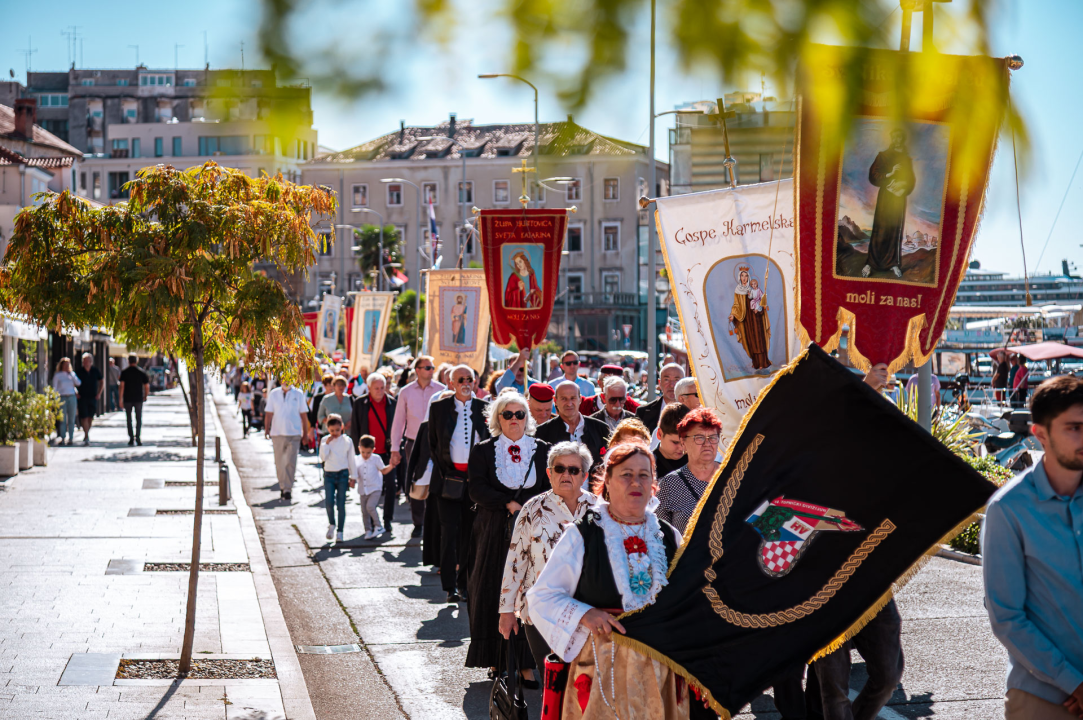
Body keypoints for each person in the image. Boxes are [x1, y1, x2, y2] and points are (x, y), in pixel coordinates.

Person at [527, 441, 687, 719]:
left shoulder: (669, 535)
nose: (635, 482)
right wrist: (584, 613)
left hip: (662, 665)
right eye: (626, 474)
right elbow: (542, 596)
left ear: (653, 484)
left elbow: (689, 600)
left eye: (644, 474)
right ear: (607, 482)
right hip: (602, 662)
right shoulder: (583, 533)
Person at [982, 375, 1083, 720]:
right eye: (1074, 428)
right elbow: (1007, 617)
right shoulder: (1008, 510)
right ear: (1040, 434)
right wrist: (1075, 683)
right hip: (1042, 700)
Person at [465, 391, 549, 672]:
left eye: (520, 414)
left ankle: (526, 663)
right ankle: (497, 661)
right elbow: (475, 488)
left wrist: (529, 508)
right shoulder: (484, 450)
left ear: (528, 418)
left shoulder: (542, 448)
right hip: (492, 529)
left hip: (534, 530)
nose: (514, 419)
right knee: (492, 589)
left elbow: (549, 488)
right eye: (508, 414)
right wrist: (507, 503)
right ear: (497, 419)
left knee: (529, 591)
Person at [499, 441, 596, 684]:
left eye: (573, 470)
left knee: (586, 684)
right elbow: (516, 560)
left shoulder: (599, 509)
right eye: (559, 468)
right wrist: (506, 610)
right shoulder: (532, 508)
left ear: (584, 476)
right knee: (554, 683)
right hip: (541, 611)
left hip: (588, 611)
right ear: (548, 473)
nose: (566, 475)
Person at [429, 365, 490, 603]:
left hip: (474, 482)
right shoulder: (439, 408)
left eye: (470, 379)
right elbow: (433, 444)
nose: (466, 383)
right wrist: (448, 474)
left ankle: (465, 584)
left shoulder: (484, 408)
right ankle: (449, 587)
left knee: (470, 534)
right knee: (449, 532)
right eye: (461, 379)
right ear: (451, 383)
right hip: (448, 480)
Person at [350, 374, 401, 537]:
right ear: (369, 388)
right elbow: (355, 429)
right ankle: (371, 522)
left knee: (391, 486)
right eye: (376, 388)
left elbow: (399, 427)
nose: (380, 391)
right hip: (367, 454)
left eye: (382, 387)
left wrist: (396, 449)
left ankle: (387, 520)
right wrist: (358, 453)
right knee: (369, 488)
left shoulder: (393, 403)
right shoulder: (360, 403)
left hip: (387, 451)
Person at [657, 407, 722, 533]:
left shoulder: (733, 477)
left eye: (713, 437)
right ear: (683, 442)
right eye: (699, 437)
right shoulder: (670, 484)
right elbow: (660, 537)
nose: (707, 443)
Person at [862, 128, 914, 279]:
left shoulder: (906, 159)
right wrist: (890, 173)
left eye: (900, 137)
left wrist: (903, 187)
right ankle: (871, 263)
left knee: (895, 230)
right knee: (881, 228)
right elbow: (873, 176)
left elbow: (910, 181)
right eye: (895, 137)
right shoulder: (883, 156)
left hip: (898, 198)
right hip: (886, 197)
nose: (897, 140)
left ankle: (893, 264)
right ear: (892, 138)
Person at [389, 355, 446, 492]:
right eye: (427, 368)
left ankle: (432, 512)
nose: (431, 370)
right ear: (417, 370)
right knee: (416, 482)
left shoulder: (442, 390)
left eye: (432, 367)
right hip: (413, 443)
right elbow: (398, 421)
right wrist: (395, 448)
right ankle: (416, 512)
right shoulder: (405, 392)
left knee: (436, 481)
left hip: (437, 443)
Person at [535, 380, 610, 471]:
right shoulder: (542, 433)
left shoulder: (601, 429)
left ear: (580, 399)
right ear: (555, 400)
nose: (569, 403)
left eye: (573, 398)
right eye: (564, 398)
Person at [264, 380, 311, 502]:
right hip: (277, 433)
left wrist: (305, 434)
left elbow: (304, 416)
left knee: (290, 461)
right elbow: (269, 413)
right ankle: (282, 484)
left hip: (294, 433)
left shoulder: (299, 394)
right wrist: (266, 429)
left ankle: (287, 488)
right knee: (279, 462)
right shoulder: (274, 394)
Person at [319, 414, 357, 543]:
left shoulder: (347, 441)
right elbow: (323, 458)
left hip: (342, 474)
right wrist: (327, 444)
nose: (335, 433)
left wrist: (353, 477)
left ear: (341, 427)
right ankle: (332, 524)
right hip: (329, 474)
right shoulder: (325, 440)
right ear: (327, 429)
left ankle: (340, 531)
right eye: (331, 431)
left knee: (341, 504)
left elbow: (351, 459)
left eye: (337, 430)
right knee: (329, 502)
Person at [728, 266, 772, 370]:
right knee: (751, 341)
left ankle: (763, 362)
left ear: (748, 277)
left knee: (759, 339)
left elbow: (760, 300)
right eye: (742, 276)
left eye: (746, 276)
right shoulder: (738, 290)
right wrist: (733, 314)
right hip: (746, 320)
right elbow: (736, 305)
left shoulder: (753, 289)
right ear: (739, 277)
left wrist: (761, 306)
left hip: (756, 318)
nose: (744, 278)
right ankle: (756, 362)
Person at [356, 434, 395, 540]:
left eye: (368, 452)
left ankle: (378, 526)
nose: (365, 455)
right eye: (363, 452)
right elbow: (355, 474)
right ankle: (368, 530)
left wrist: (391, 466)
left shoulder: (376, 459)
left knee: (370, 507)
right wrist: (351, 480)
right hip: (362, 490)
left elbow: (383, 470)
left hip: (375, 488)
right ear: (359, 449)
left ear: (373, 450)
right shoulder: (357, 459)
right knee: (364, 512)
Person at [636, 362, 685, 432]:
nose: (672, 385)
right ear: (659, 383)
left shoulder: (691, 412)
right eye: (667, 380)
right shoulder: (642, 412)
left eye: (676, 380)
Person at [654, 402, 691, 481]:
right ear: (659, 434)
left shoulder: (698, 463)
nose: (681, 448)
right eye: (675, 442)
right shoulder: (645, 466)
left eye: (685, 441)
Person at [118, 355, 149, 446]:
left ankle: (131, 438)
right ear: (137, 361)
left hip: (127, 398)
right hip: (138, 398)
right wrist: (145, 396)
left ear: (128, 361)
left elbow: (122, 386)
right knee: (138, 418)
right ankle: (138, 437)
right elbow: (147, 386)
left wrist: (120, 399)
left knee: (129, 419)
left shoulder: (124, 372)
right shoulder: (141, 372)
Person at [74, 353, 104, 445]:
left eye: (87, 361)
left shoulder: (95, 371)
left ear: (91, 362)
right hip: (82, 397)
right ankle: (86, 435)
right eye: (84, 361)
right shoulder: (79, 372)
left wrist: (99, 393)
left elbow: (102, 381)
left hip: (93, 397)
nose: (85, 363)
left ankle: (86, 433)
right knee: (84, 416)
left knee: (90, 417)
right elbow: (73, 382)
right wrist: (76, 393)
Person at [51, 357, 80, 446]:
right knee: (62, 419)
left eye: (68, 365)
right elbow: (54, 388)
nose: (67, 366)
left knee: (71, 418)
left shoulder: (71, 374)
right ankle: (63, 437)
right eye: (65, 365)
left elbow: (78, 383)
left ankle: (71, 438)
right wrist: (55, 400)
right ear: (62, 365)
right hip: (62, 397)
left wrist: (72, 375)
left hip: (71, 397)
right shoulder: (58, 375)